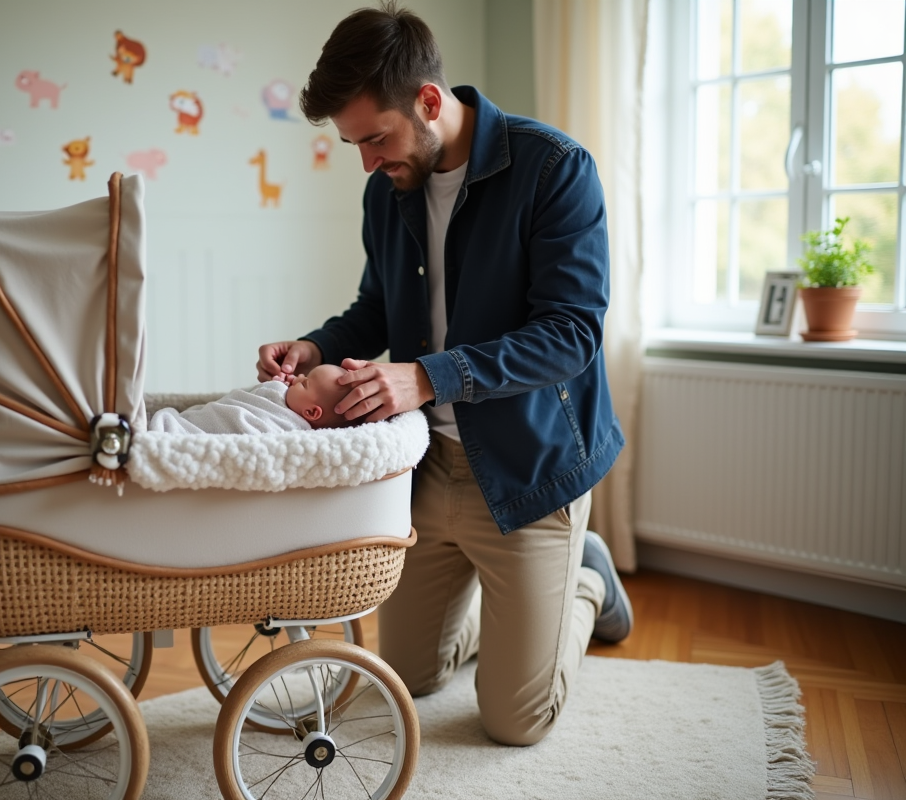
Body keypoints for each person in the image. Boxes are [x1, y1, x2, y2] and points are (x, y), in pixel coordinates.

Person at [255, 2, 632, 746]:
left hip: (530, 475)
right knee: (410, 678)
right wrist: (310, 346)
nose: (366, 161)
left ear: (429, 102)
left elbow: (571, 335)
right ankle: (532, 609)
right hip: (427, 472)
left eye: (375, 138)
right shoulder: (385, 192)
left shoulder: (555, 169)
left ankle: (585, 581)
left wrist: (424, 378)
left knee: (514, 721)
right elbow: (376, 310)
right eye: (353, 144)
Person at [149, 364, 357, 434]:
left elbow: (244, 423)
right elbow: (238, 401)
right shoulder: (280, 402)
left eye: (304, 383)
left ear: (311, 412)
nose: (297, 377)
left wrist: (272, 388)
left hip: (180, 431)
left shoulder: (289, 427)